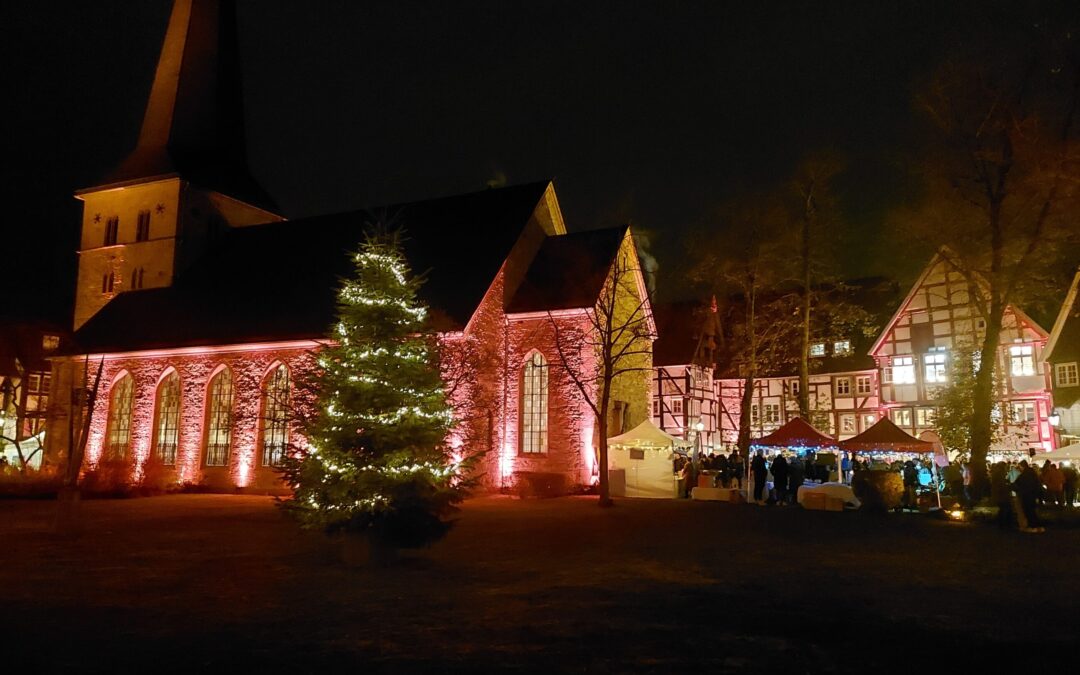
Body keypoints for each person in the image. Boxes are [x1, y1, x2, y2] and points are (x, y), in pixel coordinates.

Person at [1012, 460, 1044, 533]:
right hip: (1032, 495)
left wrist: (1015, 488)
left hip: (1026, 495)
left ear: (1022, 466)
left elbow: (1017, 483)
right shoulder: (1032, 473)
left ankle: (1032, 526)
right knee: (1032, 511)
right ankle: (1038, 526)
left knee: (1029, 511)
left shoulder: (1025, 474)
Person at [990, 461, 1012, 529]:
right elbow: (1001, 484)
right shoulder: (1000, 473)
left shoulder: (996, 473)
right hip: (1001, 494)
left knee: (1003, 508)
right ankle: (1003, 524)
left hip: (999, 493)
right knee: (1005, 508)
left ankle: (1002, 523)